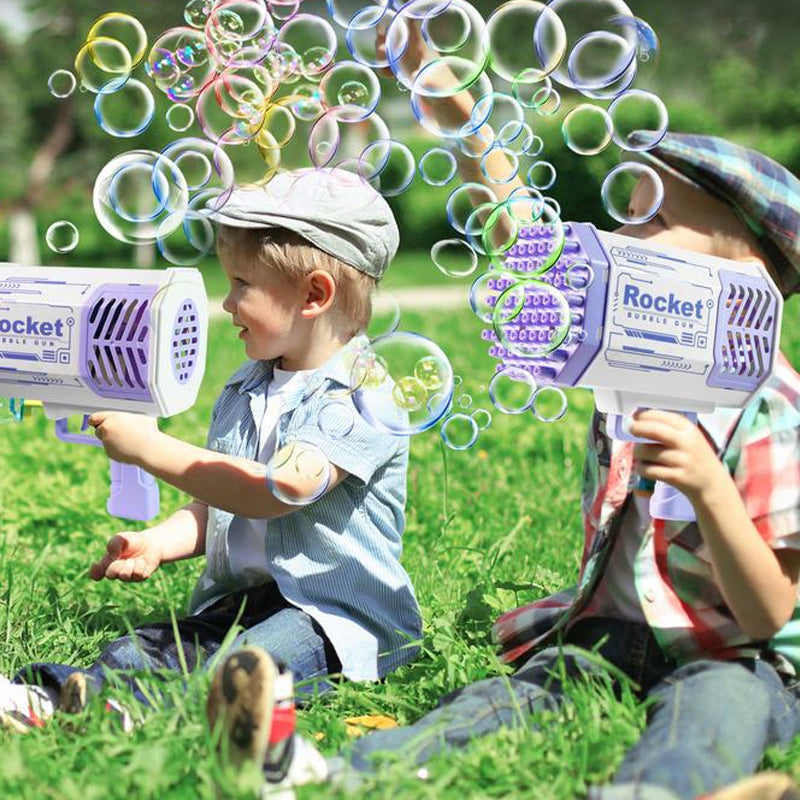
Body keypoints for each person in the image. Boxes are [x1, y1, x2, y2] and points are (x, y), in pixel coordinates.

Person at [205, 132, 800, 800]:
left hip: (734, 654)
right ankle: (325, 772)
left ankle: (660, 791)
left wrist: (712, 490)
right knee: (497, 703)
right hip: (606, 639)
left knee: (718, 712)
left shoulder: (770, 405)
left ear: (746, 269)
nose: (619, 234)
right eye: (625, 212)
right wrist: (466, 118)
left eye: (651, 218)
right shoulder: (622, 367)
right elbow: (526, 243)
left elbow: (767, 614)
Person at [0, 168, 423, 740]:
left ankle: (134, 712)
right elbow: (220, 504)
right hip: (247, 600)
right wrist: (160, 541)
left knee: (248, 667)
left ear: (314, 295)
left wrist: (152, 448)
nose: (226, 303)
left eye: (242, 283)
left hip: (334, 616)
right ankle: (53, 697)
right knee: (139, 646)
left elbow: (280, 489)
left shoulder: (363, 392)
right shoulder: (247, 386)